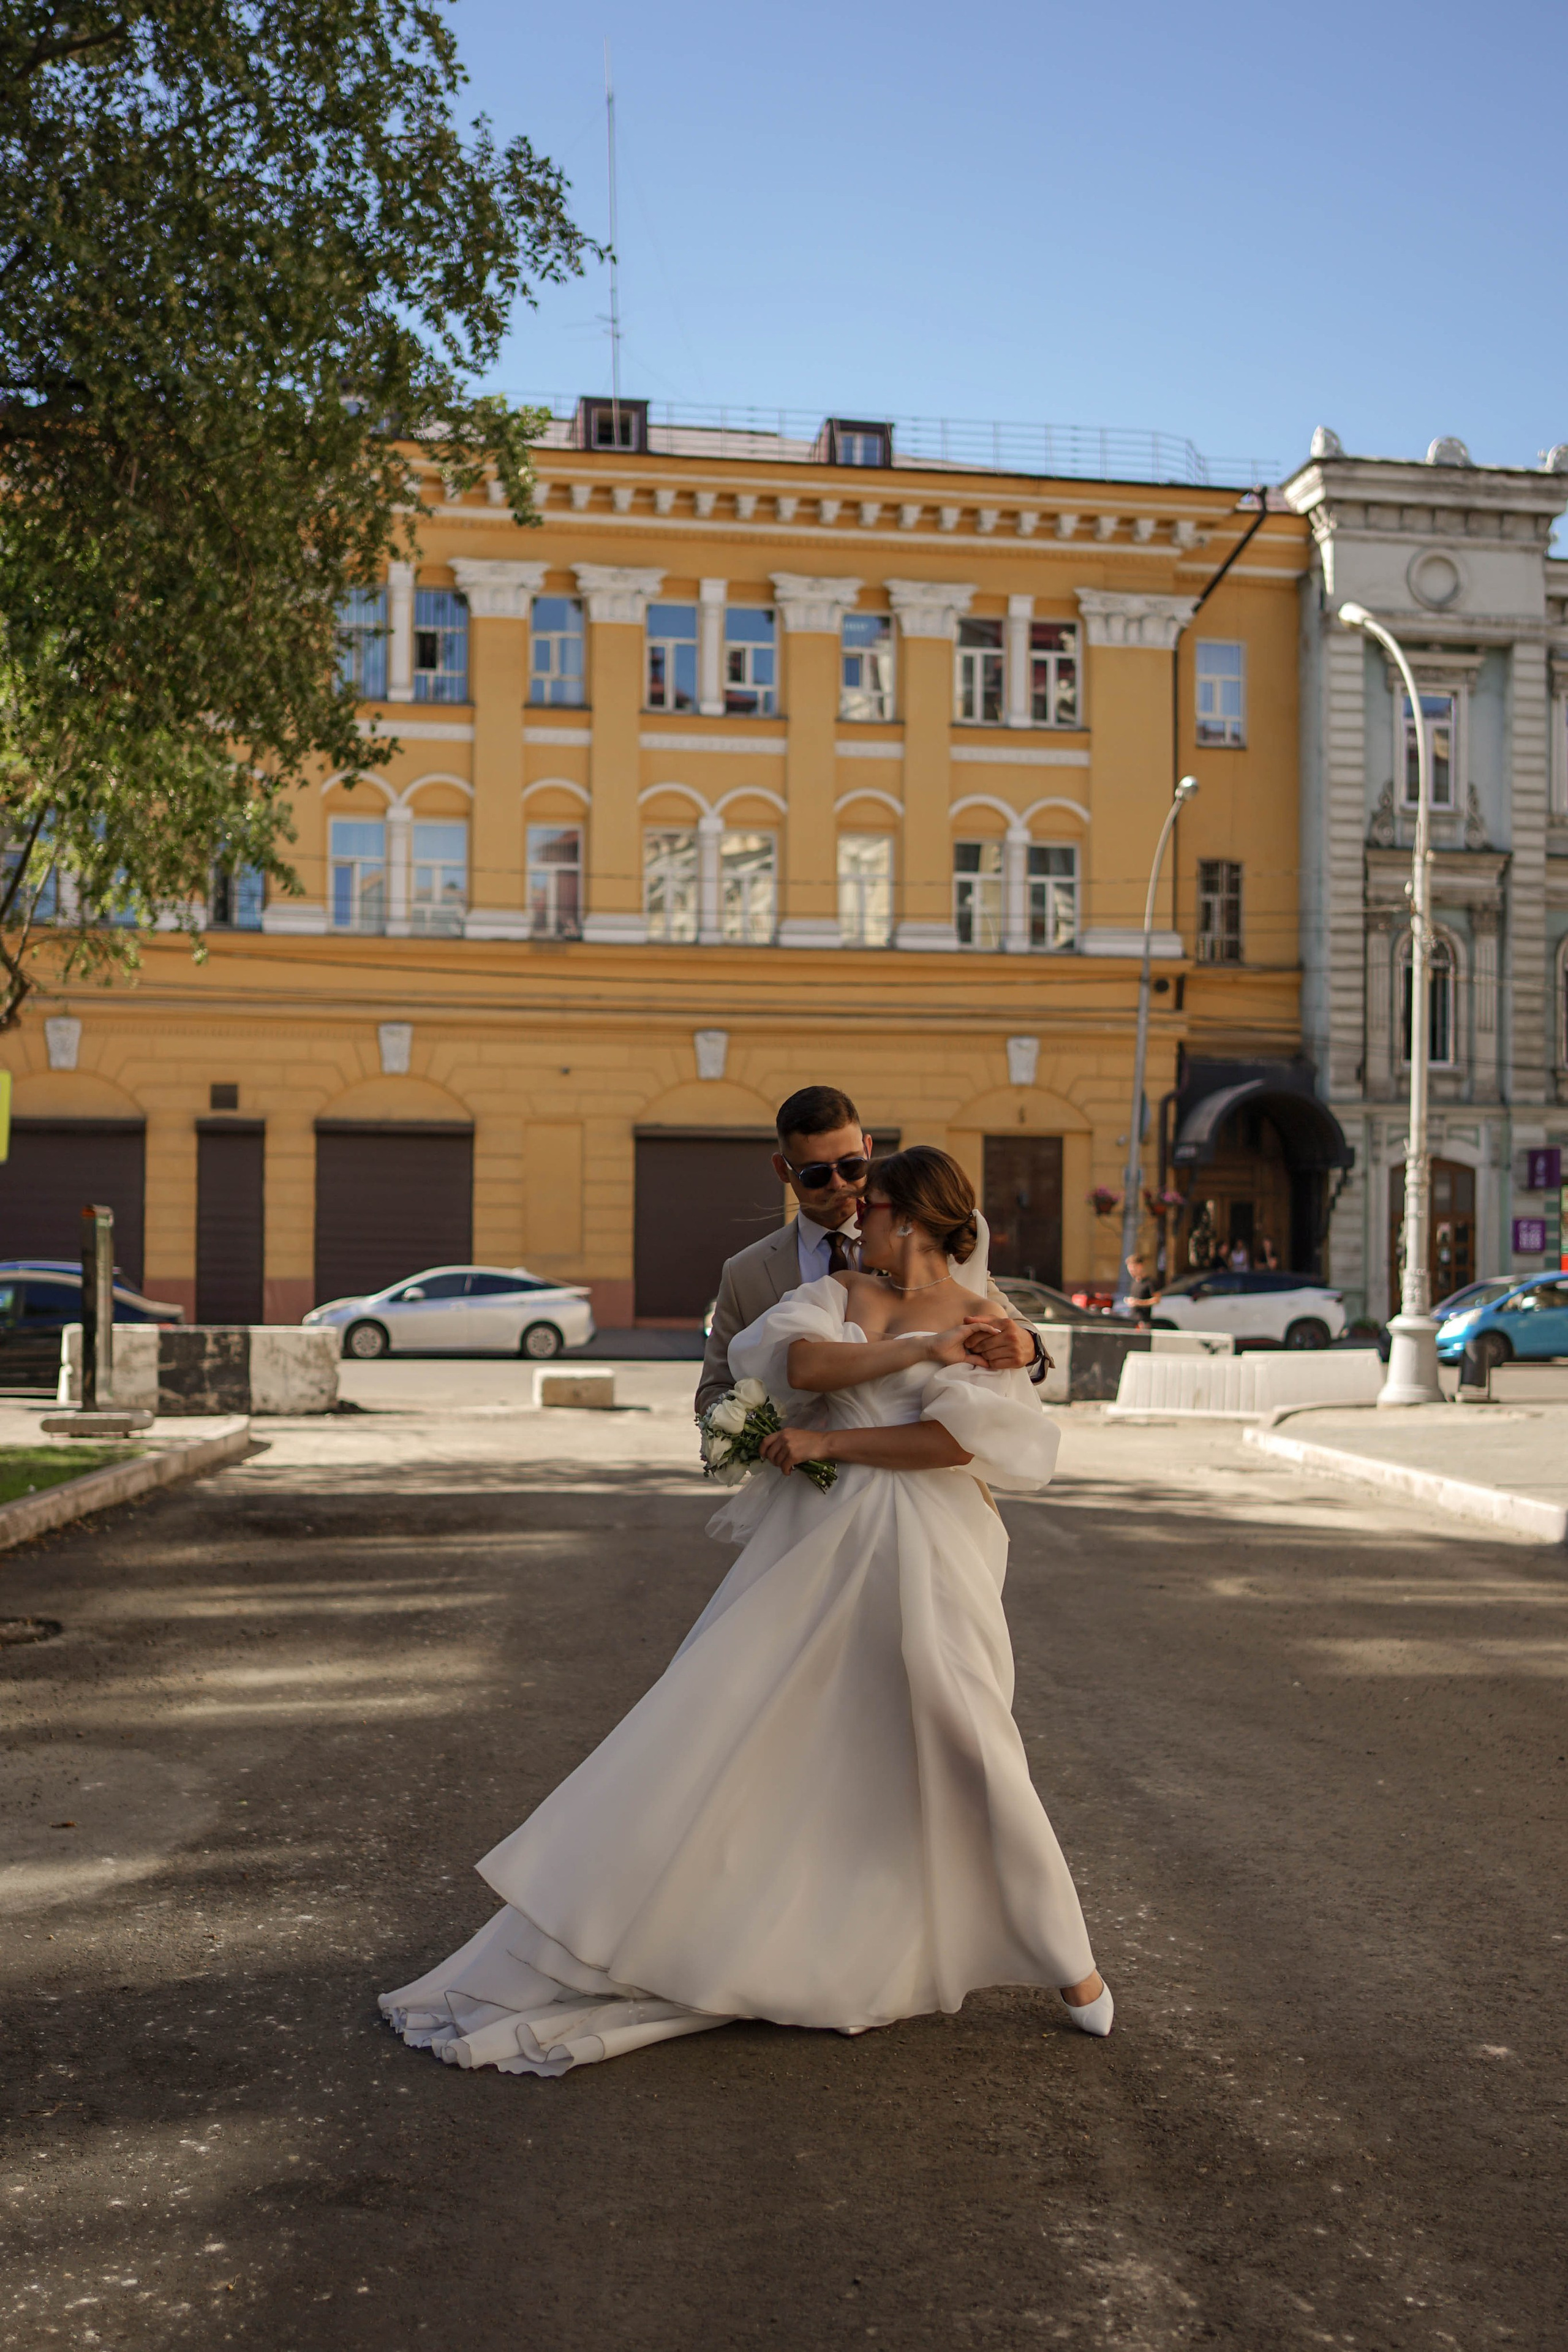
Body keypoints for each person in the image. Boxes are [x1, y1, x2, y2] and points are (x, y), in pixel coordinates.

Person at [380, 1143, 1110, 2076]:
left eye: (874, 1205)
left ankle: (1066, 1960)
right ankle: (758, 1932)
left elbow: (954, 1444)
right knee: (759, 1731)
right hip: (824, 1545)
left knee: (963, 1734)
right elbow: (793, 1356)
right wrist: (917, 1351)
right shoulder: (848, 1291)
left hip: (935, 1554)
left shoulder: (992, 1319)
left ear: (916, 1218)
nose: (857, 1218)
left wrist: (835, 1437)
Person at [696, 1084, 1043, 1420]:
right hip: (793, 1472)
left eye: (851, 1166)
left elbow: (1007, 1321)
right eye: (816, 1174)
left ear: (868, 1147)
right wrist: (756, 1437)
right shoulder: (745, 1272)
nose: (838, 1184)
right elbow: (716, 1389)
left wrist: (1027, 1346)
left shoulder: (930, 1245)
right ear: (782, 1170)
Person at [1125, 1254, 1158, 1324]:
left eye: (1133, 1269)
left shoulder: (1149, 1282)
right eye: (1130, 1270)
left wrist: (1139, 1302)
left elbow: (1156, 1300)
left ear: (1140, 1266)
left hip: (1144, 1321)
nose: (1131, 1272)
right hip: (1133, 1319)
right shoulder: (1134, 1282)